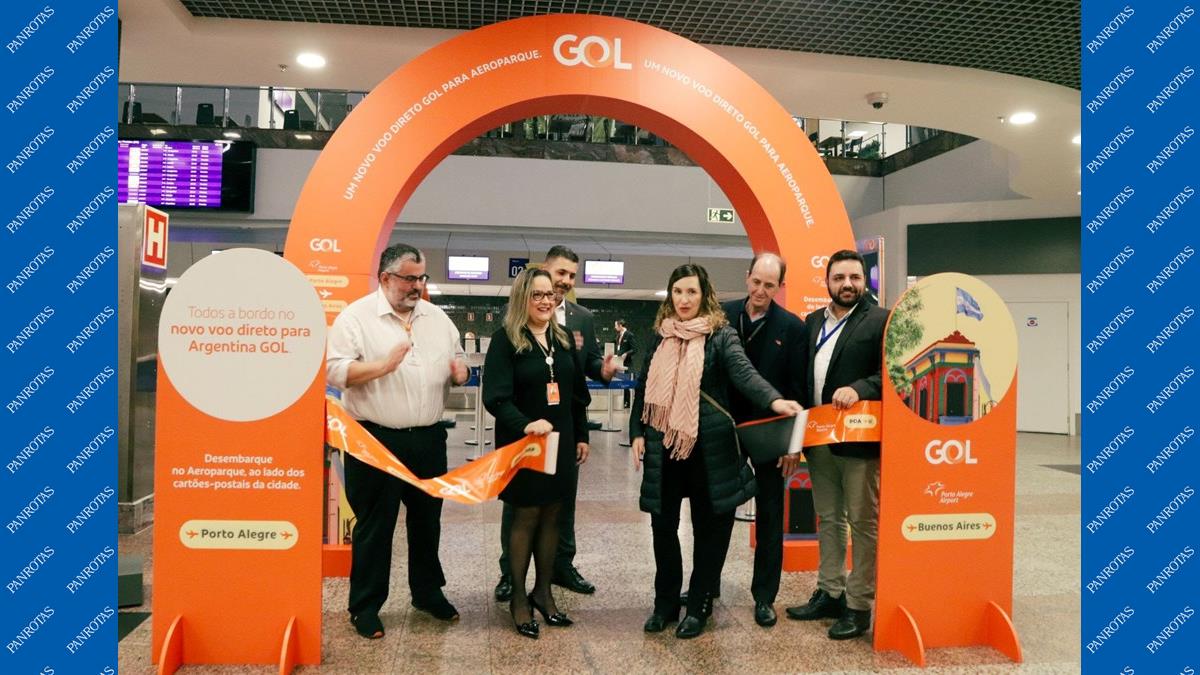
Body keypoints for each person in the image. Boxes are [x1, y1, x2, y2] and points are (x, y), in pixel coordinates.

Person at [630, 263, 804, 639]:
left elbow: (744, 373)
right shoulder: (661, 335)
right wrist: (636, 431)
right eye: (678, 292)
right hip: (665, 447)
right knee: (663, 527)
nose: (684, 299)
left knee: (710, 529)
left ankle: (699, 605)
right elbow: (644, 387)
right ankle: (664, 603)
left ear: (704, 295)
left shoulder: (721, 334)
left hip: (709, 450)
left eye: (691, 292)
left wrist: (775, 401)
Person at [326, 243, 471, 639]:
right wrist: (383, 366)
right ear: (385, 277)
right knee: (376, 526)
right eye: (409, 278)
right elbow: (335, 372)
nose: (417, 286)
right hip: (375, 441)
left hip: (428, 439)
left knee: (427, 521)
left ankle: (427, 593)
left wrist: (460, 373)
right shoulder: (356, 318)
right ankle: (366, 606)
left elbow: (458, 360)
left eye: (422, 278)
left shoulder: (438, 319)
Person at [494, 246, 618, 601]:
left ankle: (560, 568)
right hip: (525, 438)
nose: (564, 282)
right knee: (520, 509)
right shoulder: (512, 326)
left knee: (560, 506)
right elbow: (500, 391)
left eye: (571, 276)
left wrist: (602, 372)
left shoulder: (579, 321)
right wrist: (524, 424)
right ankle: (511, 574)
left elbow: (580, 376)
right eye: (559, 273)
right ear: (543, 271)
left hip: (562, 434)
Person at [784, 249, 888, 640]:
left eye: (854, 277)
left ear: (864, 281)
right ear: (827, 281)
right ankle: (830, 592)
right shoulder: (812, 322)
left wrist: (860, 388)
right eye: (839, 277)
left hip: (859, 441)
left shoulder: (881, 320)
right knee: (828, 518)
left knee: (863, 523)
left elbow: (891, 373)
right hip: (819, 440)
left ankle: (859, 605)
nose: (847, 284)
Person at [483, 269, 590, 639]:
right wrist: (526, 424)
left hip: (561, 442)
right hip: (524, 444)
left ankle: (543, 593)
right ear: (522, 298)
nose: (546, 301)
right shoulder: (507, 340)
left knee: (553, 516)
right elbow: (495, 397)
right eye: (537, 295)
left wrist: (582, 435)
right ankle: (518, 599)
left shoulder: (562, 338)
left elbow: (576, 393)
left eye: (550, 295)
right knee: (525, 517)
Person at [719, 253, 807, 628]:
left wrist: (793, 444)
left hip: (772, 432)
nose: (760, 291)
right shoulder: (722, 316)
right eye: (756, 282)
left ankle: (765, 597)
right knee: (718, 510)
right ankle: (706, 584)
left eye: (769, 285)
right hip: (726, 429)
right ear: (747, 277)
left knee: (771, 514)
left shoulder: (793, 327)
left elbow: (799, 389)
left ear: (779, 287)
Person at [614, 318, 638, 408]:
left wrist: (626, 353)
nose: (615, 327)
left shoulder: (629, 335)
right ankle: (626, 401)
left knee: (628, 383)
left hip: (627, 364)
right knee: (622, 383)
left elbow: (635, 349)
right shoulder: (618, 336)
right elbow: (616, 346)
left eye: (616, 325)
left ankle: (630, 402)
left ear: (620, 325)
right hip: (619, 364)